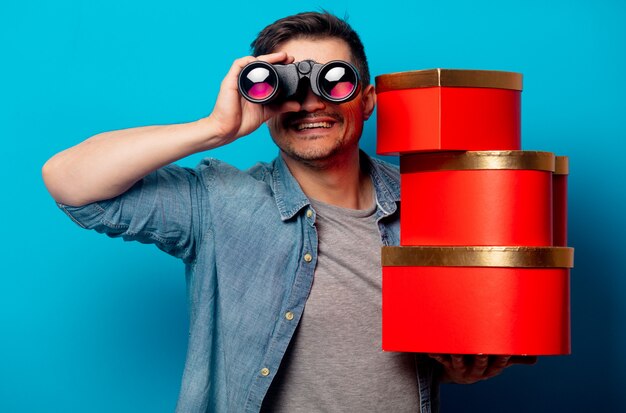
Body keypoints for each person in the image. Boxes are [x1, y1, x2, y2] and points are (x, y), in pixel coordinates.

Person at [42, 11, 533, 413]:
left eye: (333, 81)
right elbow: (69, 182)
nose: (309, 102)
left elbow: (468, 323)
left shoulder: (435, 202)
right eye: (286, 86)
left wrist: (457, 365)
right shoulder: (219, 204)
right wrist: (214, 128)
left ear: (366, 101)